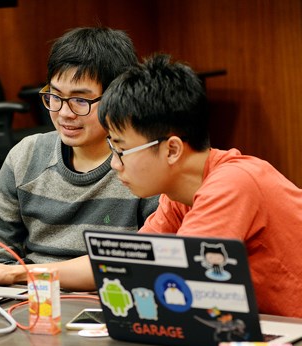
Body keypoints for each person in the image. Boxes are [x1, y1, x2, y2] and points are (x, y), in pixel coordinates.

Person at [0, 27, 158, 291]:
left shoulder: (143, 166)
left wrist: (24, 275)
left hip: (110, 302)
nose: (64, 113)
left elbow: (147, 262)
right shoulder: (25, 157)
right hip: (31, 303)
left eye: (79, 100)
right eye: (54, 96)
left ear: (116, 97)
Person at [99, 54, 302, 317]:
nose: (115, 164)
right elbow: (134, 263)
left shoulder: (233, 183)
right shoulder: (177, 194)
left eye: (122, 150)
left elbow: (183, 281)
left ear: (172, 149)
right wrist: (33, 272)